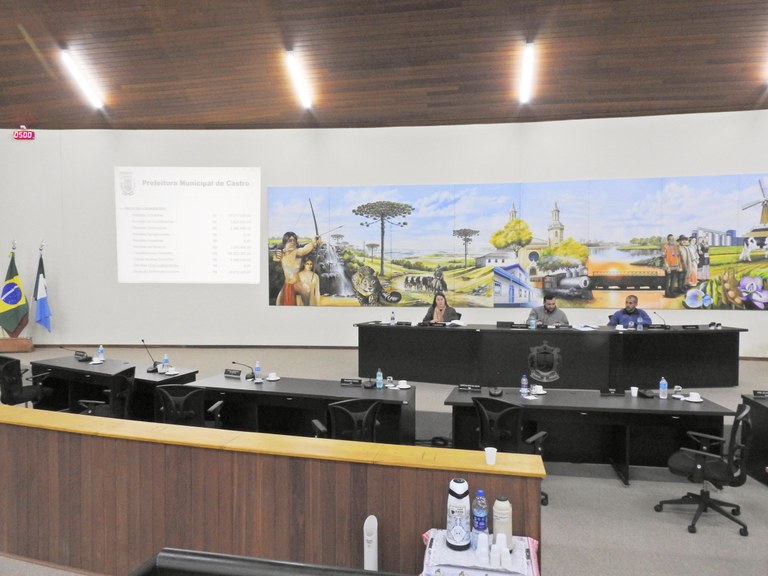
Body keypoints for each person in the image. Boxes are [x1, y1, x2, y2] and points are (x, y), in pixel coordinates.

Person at [273, 231, 321, 305]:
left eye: (294, 240)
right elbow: (276, 258)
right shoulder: (282, 254)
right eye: (290, 240)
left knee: (306, 290)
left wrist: (313, 243)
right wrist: (277, 254)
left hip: (296, 284)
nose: (292, 242)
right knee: (279, 303)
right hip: (286, 284)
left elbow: (304, 250)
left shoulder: (297, 252)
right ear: (285, 242)